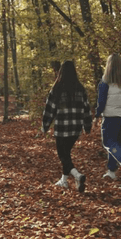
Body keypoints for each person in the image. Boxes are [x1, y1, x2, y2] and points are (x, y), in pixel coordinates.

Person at [40, 60, 93, 192]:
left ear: (61, 72)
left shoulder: (57, 88)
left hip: (62, 129)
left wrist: (45, 126)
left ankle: (77, 175)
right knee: (66, 154)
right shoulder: (80, 89)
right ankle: (64, 181)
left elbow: (49, 109)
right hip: (75, 129)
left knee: (63, 155)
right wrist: (87, 126)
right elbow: (87, 109)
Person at [95, 53, 121, 182]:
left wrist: (97, 116)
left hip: (111, 117)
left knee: (108, 142)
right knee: (117, 145)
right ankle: (111, 171)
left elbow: (101, 102)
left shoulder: (104, 83)